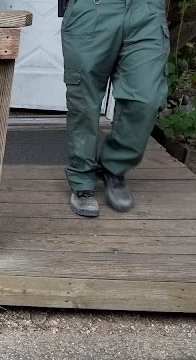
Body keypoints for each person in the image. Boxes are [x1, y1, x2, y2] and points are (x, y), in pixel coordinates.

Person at [61, 0, 169, 217]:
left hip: (145, 11)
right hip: (93, 8)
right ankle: (82, 178)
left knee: (146, 98)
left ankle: (115, 166)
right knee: (83, 99)